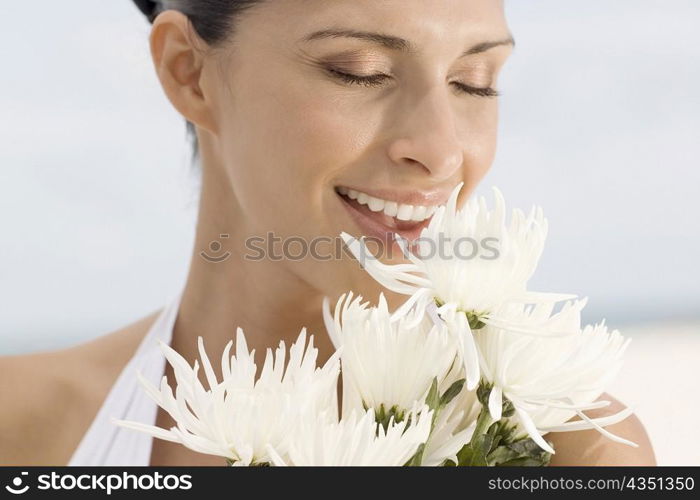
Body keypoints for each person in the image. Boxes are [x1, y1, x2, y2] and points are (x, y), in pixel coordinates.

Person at [0, 0, 655, 466]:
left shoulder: (564, 445)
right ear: (188, 71)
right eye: (360, 71)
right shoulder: (20, 421)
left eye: (473, 83)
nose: (442, 151)